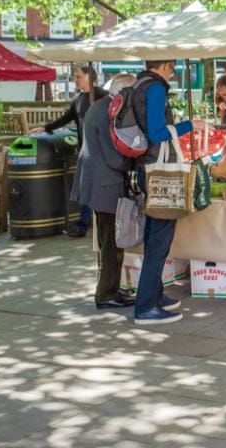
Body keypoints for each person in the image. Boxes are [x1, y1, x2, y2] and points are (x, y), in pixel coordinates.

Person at [132, 59, 194, 326]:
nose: (173, 70)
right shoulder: (155, 88)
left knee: (152, 237)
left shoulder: (138, 85)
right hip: (159, 172)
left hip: (145, 167)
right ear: (165, 64)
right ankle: (145, 306)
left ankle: (153, 295)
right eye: (172, 65)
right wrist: (190, 126)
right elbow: (157, 133)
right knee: (159, 239)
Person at [71, 72, 138, 309]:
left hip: (95, 180)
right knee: (111, 242)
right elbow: (113, 155)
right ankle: (106, 294)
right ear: (125, 91)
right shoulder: (111, 111)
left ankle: (110, 286)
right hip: (105, 183)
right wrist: (133, 163)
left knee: (108, 240)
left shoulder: (98, 106)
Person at [31, 65, 108, 238]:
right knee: (84, 188)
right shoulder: (78, 99)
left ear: (90, 77)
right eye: (75, 77)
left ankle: (102, 224)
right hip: (86, 151)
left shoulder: (104, 96)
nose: (75, 80)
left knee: (101, 189)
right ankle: (82, 225)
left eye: (78, 76)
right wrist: (45, 128)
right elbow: (66, 118)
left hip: (103, 152)